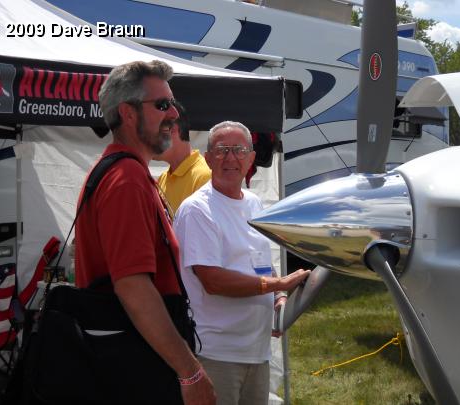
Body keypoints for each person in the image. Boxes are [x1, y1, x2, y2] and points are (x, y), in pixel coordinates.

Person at [74, 60, 215, 405]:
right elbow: (133, 286)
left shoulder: (127, 173)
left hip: (130, 354)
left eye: (174, 105)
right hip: (136, 362)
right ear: (129, 113)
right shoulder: (126, 180)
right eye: (163, 105)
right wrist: (190, 372)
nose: (173, 115)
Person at [173, 121, 311, 405]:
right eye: (222, 150)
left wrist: (280, 298)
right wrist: (278, 283)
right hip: (216, 354)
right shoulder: (197, 210)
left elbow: (261, 261)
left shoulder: (253, 203)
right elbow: (213, 280)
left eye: (239, 150)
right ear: (208, 158)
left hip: (257, 353)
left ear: (251, 158)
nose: (231, 158)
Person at [154, 99, 211, 214]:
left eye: (153, 130)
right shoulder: (163, 178)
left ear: (172, 129)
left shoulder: (204, 176)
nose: (146, 138)